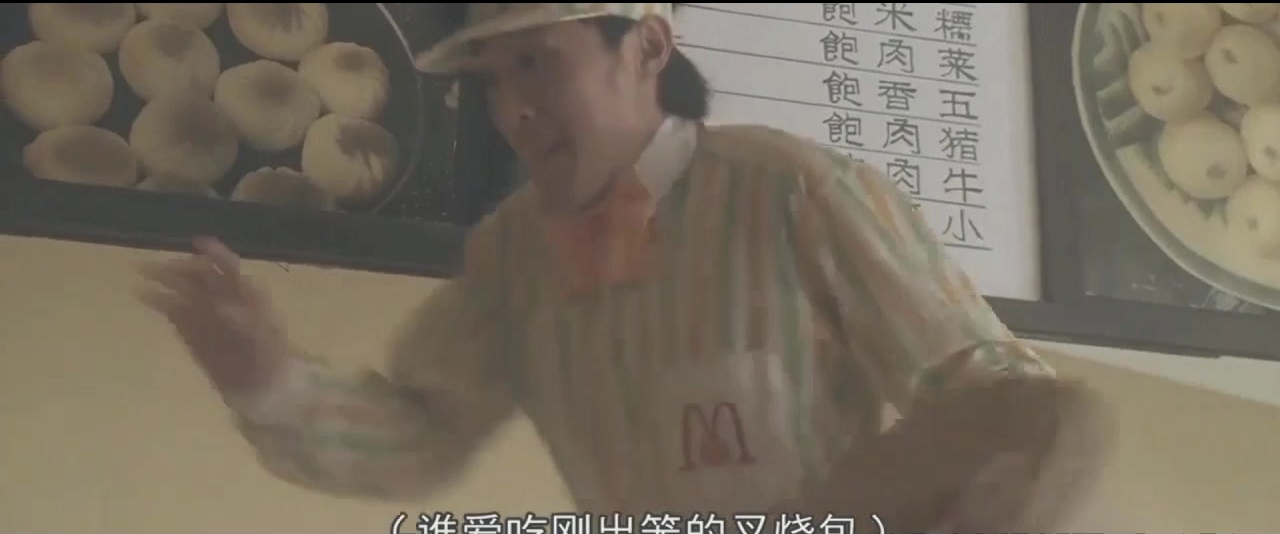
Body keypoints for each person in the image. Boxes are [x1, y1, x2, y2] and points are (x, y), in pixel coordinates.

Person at [139, 3, 1114, 532]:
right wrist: (269, 380)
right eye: (493, 79)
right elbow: (422, 434)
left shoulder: (797, 193)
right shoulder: (510, 258)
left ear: (646, 47)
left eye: (537, 63)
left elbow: (1000, 402)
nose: (512, 108)